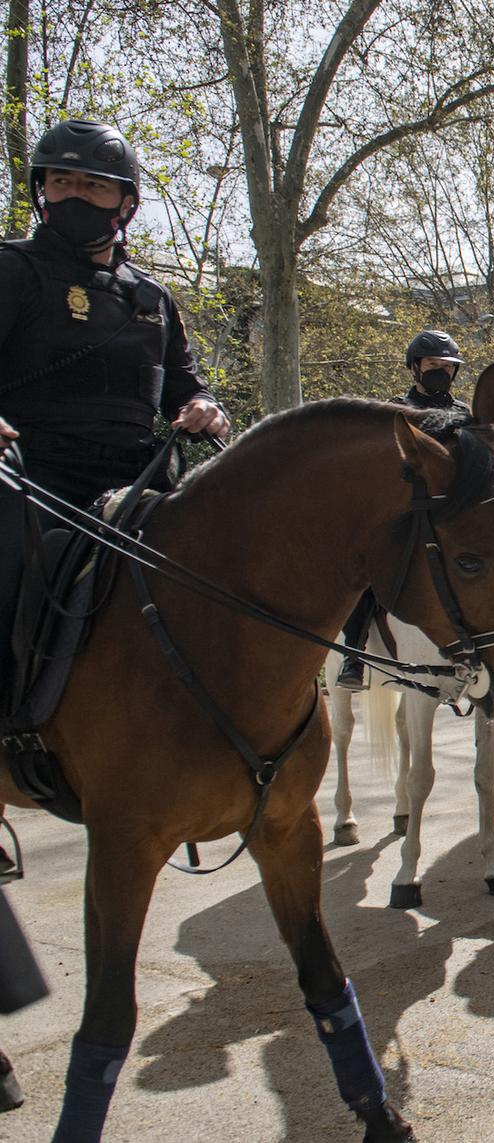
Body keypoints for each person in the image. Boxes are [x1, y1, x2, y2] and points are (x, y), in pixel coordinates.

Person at [0, 118, 231, 895]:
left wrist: (207, 409)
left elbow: (188, 384)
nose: (72, 195)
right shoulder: (13, 271)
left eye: (92, 185)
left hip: (139, 482)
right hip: (34, 478)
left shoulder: (152, 298)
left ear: (124, 203)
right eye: (58, 183)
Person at [334, 328, 472, 687]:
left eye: (447, 366)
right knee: (366, 573)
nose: (440, 371)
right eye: (432, 364)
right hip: (407, 512)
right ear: (415, 367)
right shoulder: (397, 412)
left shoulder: (466, 415)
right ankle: (353, 655)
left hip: (453, 515)